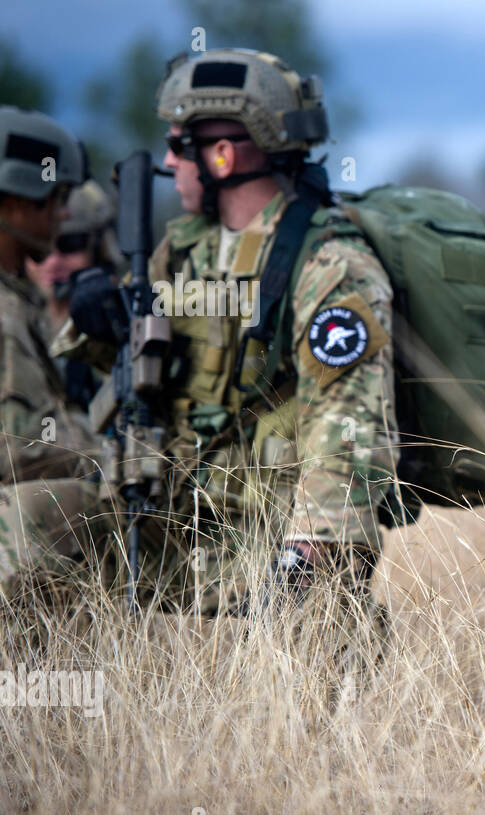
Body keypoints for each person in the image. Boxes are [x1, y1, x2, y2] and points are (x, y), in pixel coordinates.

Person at [0, 49, 398, 618]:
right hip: (169, 520)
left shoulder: (331, 267)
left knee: (322, 619)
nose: (168, 160)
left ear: (221, 155)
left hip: (270, 539)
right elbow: (132, 382)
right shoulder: (185, 250)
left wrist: (304, 561)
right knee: (22, 519)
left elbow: (354, 437)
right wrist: (101, 327)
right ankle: (41, 697)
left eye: (178, 146)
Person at [0, 105, 95, 483]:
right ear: (19, 201)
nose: (66, 214)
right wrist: (110, 454)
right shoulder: (6, 311)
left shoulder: (19, 296)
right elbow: (16, 446)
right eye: (59, 197)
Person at [24, 179, 123, 411]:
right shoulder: (12, 320)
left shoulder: (120, 323)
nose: (54, 261)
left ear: (98, 247)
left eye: (71, 244)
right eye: (41, 248)